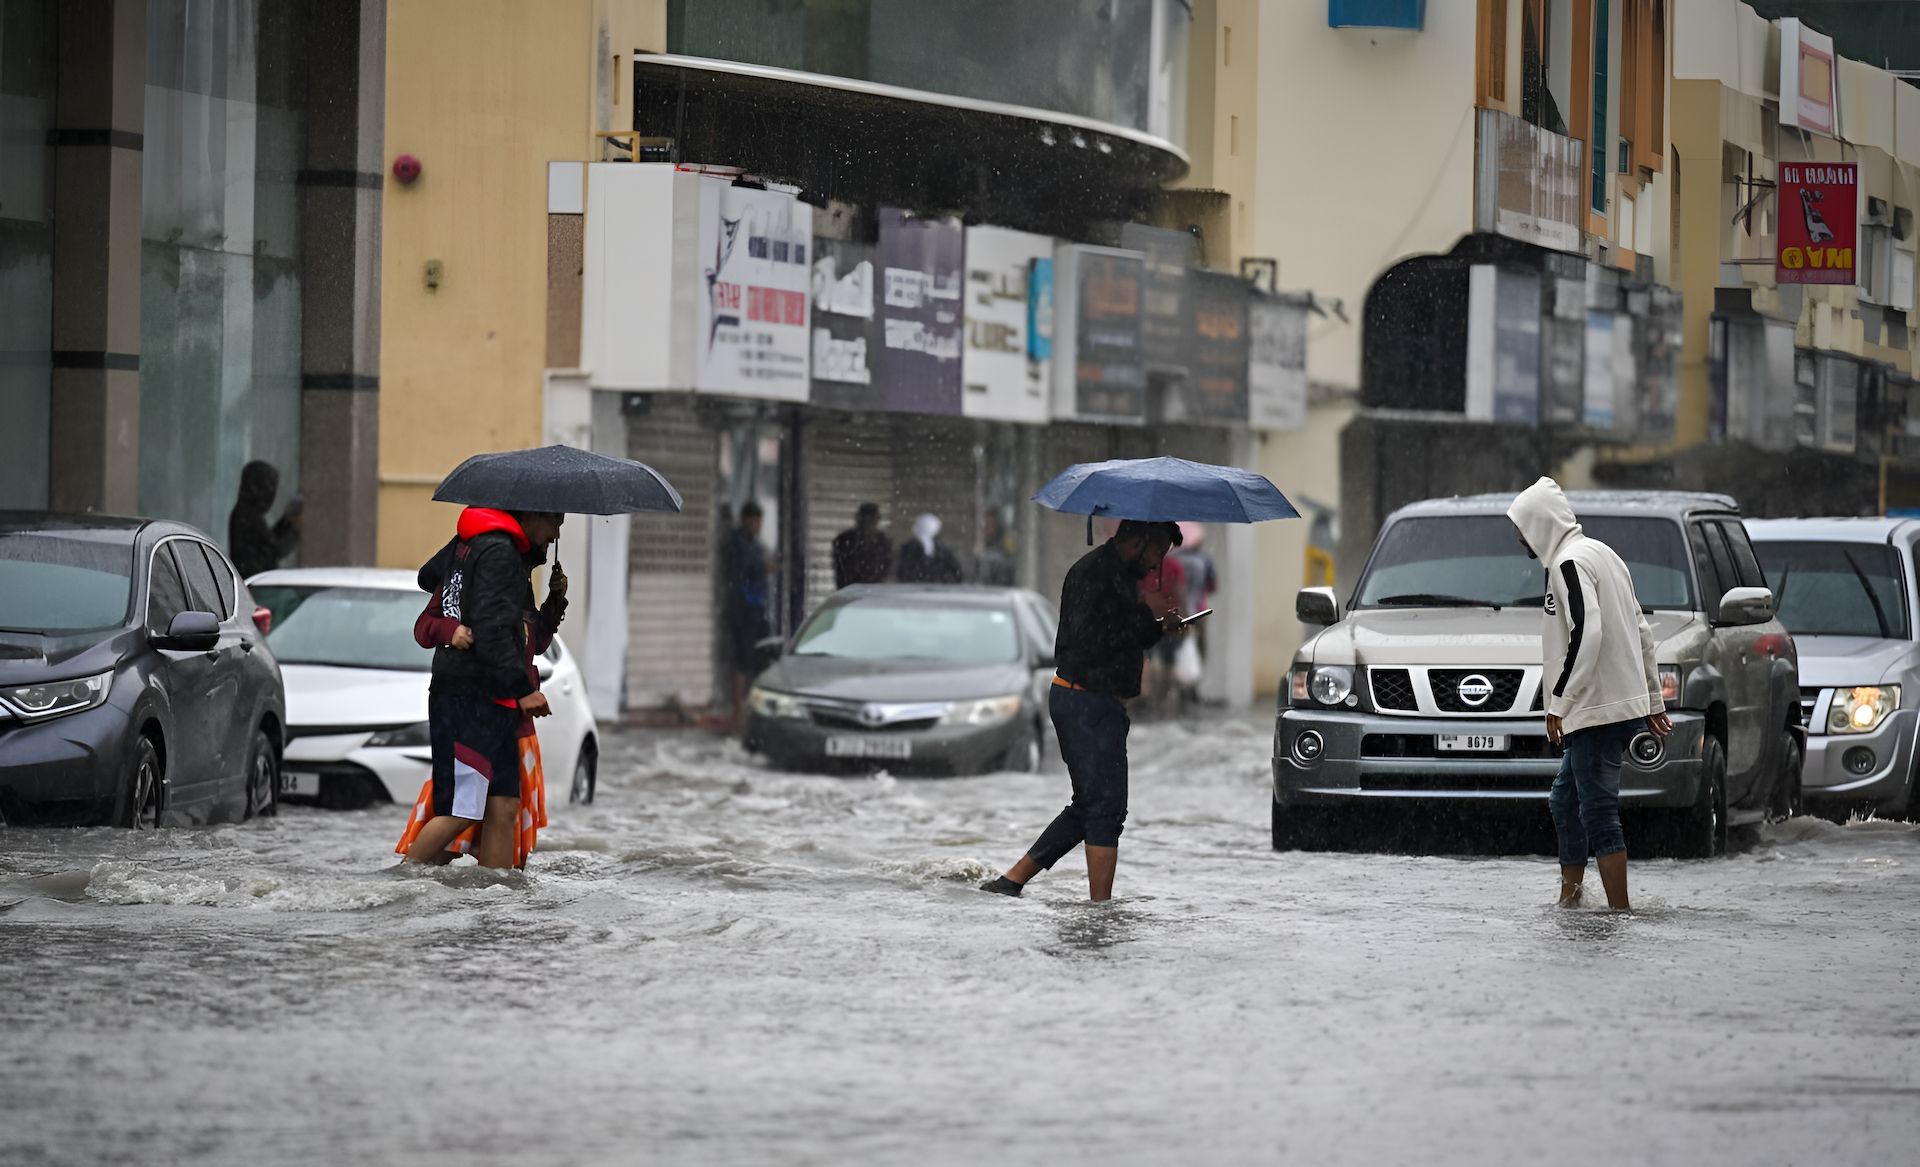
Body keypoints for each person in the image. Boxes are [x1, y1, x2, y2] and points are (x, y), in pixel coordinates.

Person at [981, 520, 1186, 901]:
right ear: (1137, 541)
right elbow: (1092, 638)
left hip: (1101, 704)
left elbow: (1121, 635)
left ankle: (1011, 882)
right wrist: (1145, 616)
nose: (1157, 566)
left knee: (1096, 803)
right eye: (1157, 554)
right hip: (1082, 701)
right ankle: (1100, 910)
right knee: (1104, 807)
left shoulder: (1122, 577)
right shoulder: (1093, 573)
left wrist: (1158, 626)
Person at [1508, 477, 1671, 911]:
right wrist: (1652, 701)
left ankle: (1620, 913)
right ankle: (1571, 903)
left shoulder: (1569, 563)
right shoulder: (1604, 553)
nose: (1519, 537)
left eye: (1521, 527)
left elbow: (1588, 633)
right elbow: (1641, 632)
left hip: (1596, 707)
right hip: (1611, 703)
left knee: (1597, 811)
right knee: (1565, 800)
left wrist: (1558, 702)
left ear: (1539, 523)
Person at [396, 513, 568, 869]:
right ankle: (401, 883)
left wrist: (555, 603)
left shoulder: (515, 572)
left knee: (503, 807)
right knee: (463, 811)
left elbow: (527, 641)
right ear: (532, 517)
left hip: (503, 704)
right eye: (555, 522)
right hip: (473, 698)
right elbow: (457, 626)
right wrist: (451, 631)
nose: (557, 533)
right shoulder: (491, 557)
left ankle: (496, 897)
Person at [722, 501, 771, 730]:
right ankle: (738, 711)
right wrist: (763, 567)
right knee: (743, 660)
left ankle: (751, 708)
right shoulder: (737, 542)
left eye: (758, 521)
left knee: (757, 659)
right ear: (744, 520)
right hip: (742, 610)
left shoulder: (755, 543)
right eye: (752, 521)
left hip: (756, 609)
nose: (756, 526)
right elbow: (742, 569)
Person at [228, 460, 302, 578]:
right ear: (255, 489)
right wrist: (297, 529)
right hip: (255, 584)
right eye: (268, 489)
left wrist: (285, 522)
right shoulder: (248, 516)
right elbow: (277, 549)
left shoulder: (245, 514)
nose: (271, 495)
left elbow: (266, 540)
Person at [832, 503, 893, 589]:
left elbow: (885, 570)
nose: (871, 526)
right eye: (868, 522)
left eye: (873, 521)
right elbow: (844, 572)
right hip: (851, 590)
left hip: (875, 591)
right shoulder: (845, 541)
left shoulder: (882, 542)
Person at [896, 513, 963, 583]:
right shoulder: (909, 549)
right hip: (915, 588)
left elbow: (954, 570)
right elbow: (904, 571)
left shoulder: (941, 550)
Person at [972, 509, 1017, 586]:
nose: (985, 528)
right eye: (983, 525)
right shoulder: (979, 548)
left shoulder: (1001, 553)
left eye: (989, 525)